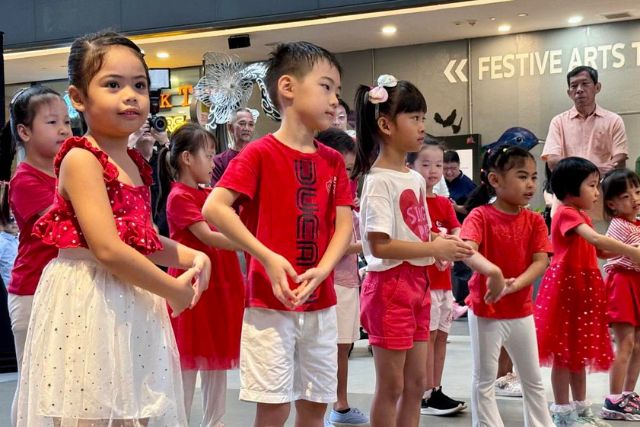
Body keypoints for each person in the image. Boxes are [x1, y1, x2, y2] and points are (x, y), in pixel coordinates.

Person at [16, 31, 211, 426]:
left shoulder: (132, 161)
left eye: (139, 85)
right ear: (78, 98)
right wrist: (171, 288)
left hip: (128, 294)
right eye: (113, 84)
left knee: (129, 410)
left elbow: (137, 236)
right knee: (92, 410)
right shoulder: (81, 158)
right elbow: (106, 248)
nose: (131, 95)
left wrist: (191, 254)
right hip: (90, 296)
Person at [203, 41, 353, 427]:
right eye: (326, 87)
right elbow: (215, 208)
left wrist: (323, 268)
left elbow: (344, 223)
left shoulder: (333, 160)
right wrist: (265, 256)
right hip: (269, 303)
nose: (335, 100)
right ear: (288, 87)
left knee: (315, 404)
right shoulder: (258, 154)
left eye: (336, 90)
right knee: (272, 407)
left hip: (321, 301)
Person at [352, 74, 473, 427]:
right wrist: (432, 245)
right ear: (386, 124)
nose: (422, 126)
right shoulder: (377, 181)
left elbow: (417, 229)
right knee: (391, 386)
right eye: (414, 118)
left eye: (423, 117)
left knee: (416, 383)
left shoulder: (414, 178)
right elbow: (379, 244)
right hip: (389, 287)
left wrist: (443, 243)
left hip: (419, 282)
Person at [534, 157, 640, 426]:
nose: (597, 192)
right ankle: (562, 411)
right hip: (565, 288)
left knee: (578, 352)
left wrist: (621, 250)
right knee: (562, 354)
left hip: (583, 288)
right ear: (571, 190)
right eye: (592, 186)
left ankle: (581, 410)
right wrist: (632, 252)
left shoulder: (581, 215)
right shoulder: (566, 213)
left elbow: (600, 249)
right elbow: (595, 240)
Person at [460, 145, 553, 427]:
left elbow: (540, 262)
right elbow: (467, 250)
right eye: (522, 176)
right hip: (486, 309)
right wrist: (494, 273)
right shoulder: (480, 216)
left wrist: (513, 287)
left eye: (534, 177)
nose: (530, 184)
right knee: (485, 378)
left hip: (520, 309)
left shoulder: (535, 220)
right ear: (495, 180)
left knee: (533, 379)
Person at [158, 123, 244, 427]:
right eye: (207, 156)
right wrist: (250, 244)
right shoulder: (179, 196)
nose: (213, 161)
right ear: (186, 158)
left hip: (221, 282)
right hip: (194, 285)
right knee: (188, 360)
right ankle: (179, 421)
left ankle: (215, 421)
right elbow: (207, 236)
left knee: (217, 357)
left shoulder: (208, 194)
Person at [0, 85, 71, 427]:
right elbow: (64, 228)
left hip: (65, 292)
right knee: (35, 389)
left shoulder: (66, 172)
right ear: (25, 132)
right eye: (52, 121)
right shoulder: (25, 181)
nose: (63, 129)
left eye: (67, 121)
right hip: (32, 293)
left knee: (65, 389)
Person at [407, 140, 466, 417]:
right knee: (427, 338)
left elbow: (457, 230)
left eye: (439, 165)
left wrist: (452, 245)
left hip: (444, 282)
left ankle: (436, 387)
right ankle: (424, 393)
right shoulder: (412, 201)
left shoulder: (443, 202)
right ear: (411, 166)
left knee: (441, 336)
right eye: (426, 164)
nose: (433, 171)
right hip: (424, 281)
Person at [315, 128, 369, 427]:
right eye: (341, 168)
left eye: (349, 169)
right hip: (328, 281)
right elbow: (332, 243)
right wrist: (365, 245)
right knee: (325, 348)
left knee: (343, 345)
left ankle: (341, 405)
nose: (346, 175)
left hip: (348, 280)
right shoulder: (320, 199)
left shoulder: (347, 195)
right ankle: (320, 410)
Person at [542, 65, 628, 221]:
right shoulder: (558, 122)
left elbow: (620, 158)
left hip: (601, 201)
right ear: (569, 93)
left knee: (602, 243)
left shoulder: (613, 120)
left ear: (597, 87)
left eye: (585, 84)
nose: (579, 89)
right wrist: (594, 171)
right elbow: (553, 161)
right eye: (574, 86)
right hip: (567, 200)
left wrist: (576, 170)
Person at [600, 169, 640, 420]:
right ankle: (614, 399)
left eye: (637, 192)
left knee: (638, 346)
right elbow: (604, 249)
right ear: (612, 204)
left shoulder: (636, 222)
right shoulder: (618, 225)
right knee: (625, 344)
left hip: (637, 282)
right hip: (623, 284)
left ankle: (628, 395)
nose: (635, 198)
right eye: (627, 196)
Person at [129, 119, 170, 235]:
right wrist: (133, 136)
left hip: (166, 229)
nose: (147, 127)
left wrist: (165, 141)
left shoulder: (163, 158)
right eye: (141, 123)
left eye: (151, 123)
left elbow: (179, 169)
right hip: (139, 230)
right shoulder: (127, 160)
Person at [210, 107, 256, 186]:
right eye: (242, 123)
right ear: (230, 127)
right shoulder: (218, 162)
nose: (247, 128)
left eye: (251, 124)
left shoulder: (259, 158)